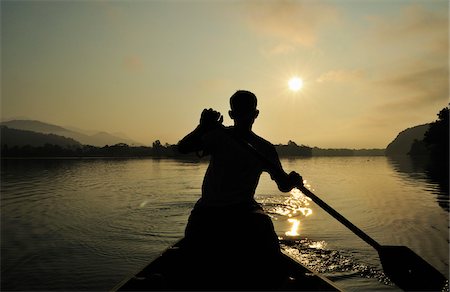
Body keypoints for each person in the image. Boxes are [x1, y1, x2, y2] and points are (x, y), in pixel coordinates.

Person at [176, 90, 303, 288]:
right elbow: (182, 148)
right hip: (209, 209)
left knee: (264, 229)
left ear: (254, 114)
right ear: (233, 114)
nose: (244, 116)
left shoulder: (264, 148)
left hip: (243, 210)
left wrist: (293, 180)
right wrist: (201, 127)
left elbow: (283, 185)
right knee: (190, 257)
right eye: (240, 112)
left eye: (247, 112)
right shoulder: (218, 136)